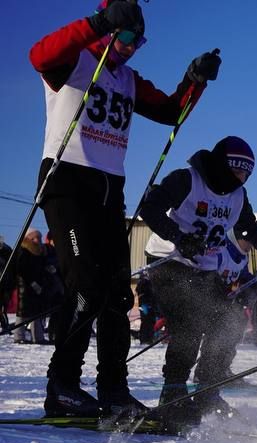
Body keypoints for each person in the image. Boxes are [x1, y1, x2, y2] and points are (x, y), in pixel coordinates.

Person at [30, 1, 220, 417]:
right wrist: (97, 23)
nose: (133, 47)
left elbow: (172, 112)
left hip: (109, 187)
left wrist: (195, 79)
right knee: (83, 283)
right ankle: (62, 385)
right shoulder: (74, 62)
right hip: (68, 181)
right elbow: (38, 54)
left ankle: (113, 388)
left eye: (140, 40)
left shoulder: (129, 80)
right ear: (109, 27)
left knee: (117, 291)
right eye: (128, 36)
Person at [139, 135, 257, 426]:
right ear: (221, 165)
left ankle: (207, 389)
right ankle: (173, 395)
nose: (241, 178)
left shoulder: (238, 196)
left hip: (204, 269)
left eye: (246, 174)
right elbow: (148, 207)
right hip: (170, 262)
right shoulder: (187, 181)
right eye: (237, 171)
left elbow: (250, 230)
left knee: (230, 319)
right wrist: (177, 237)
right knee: (189, 324)